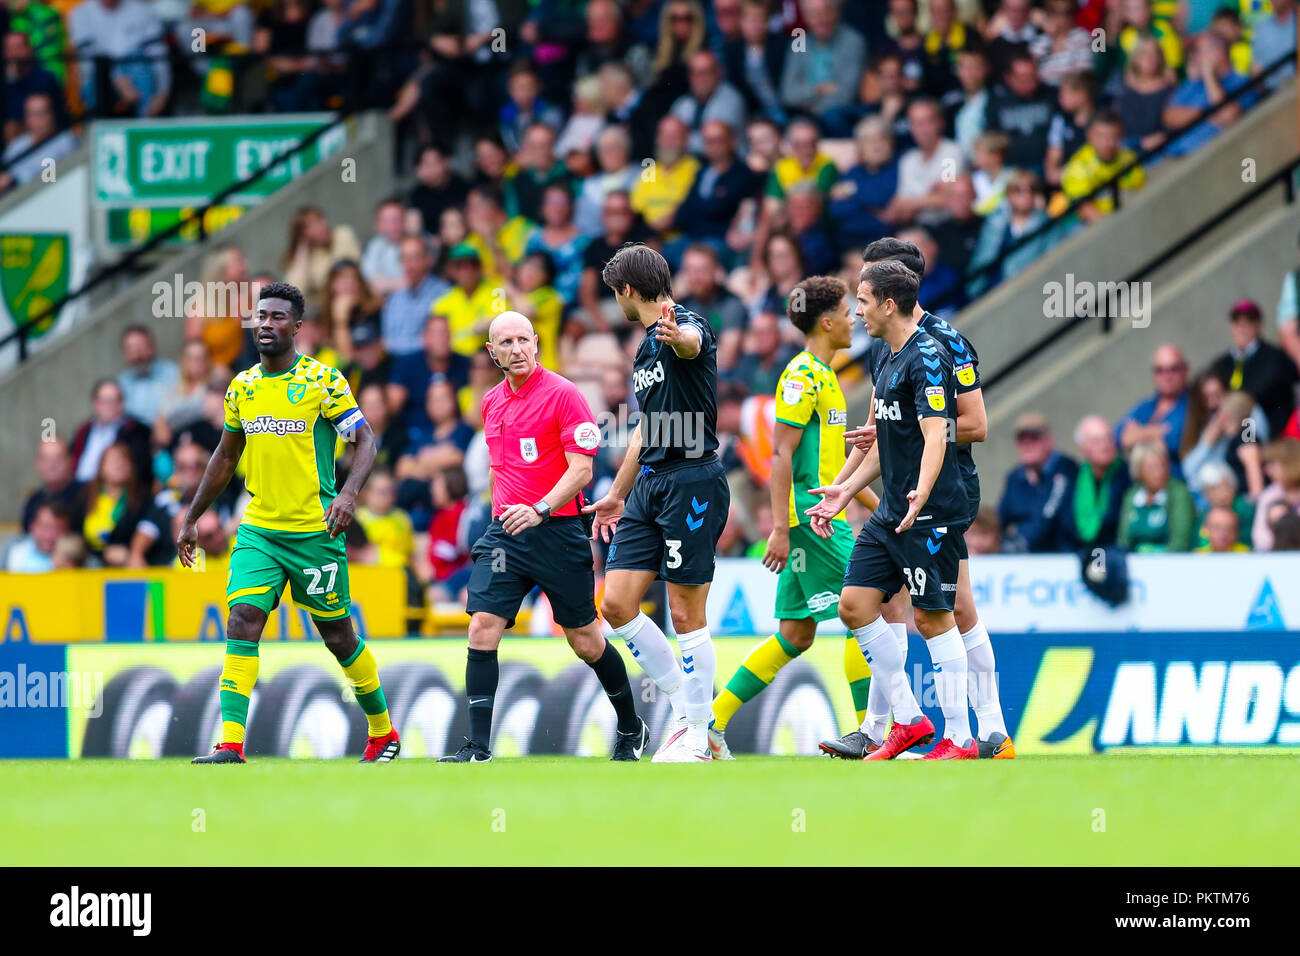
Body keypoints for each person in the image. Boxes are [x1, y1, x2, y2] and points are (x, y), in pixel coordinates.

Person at [181, 282, 399, 764]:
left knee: (338, 636)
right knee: (242, 619)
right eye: (261, 315)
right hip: (259, 529)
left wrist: (348, 495)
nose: (266, 323)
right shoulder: (242, 387)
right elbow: (225, 456)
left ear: (297, 327)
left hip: (315, 532)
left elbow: (366, 440)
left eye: (278, 316)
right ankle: (230, 744)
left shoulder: (323, 381)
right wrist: (193, 516)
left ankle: (383, 731)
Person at [824, 238, 1010, 759]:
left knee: (947, 608)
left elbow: (976, 425)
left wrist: (914, 430)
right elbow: (883, 427)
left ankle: (984, 730)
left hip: (944, 488)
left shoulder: (945, 342)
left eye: (867, 288)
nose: (857, 304)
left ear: (896, 289)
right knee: (886, 604)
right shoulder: (884, 345)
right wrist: (853, 473)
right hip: (901, 486)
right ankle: (889, 725)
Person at [440, 312, 647, 763]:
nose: (516, 349)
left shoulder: (564, 394)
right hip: (507, 534)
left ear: (536, 342)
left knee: (585, 640)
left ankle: (632, 726)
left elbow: (582, 471)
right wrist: (503, 516)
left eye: (523, 340)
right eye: (505, 342)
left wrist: (539, 509)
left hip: (557, 532)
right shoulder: (491, 401)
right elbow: (500, 469)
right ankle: (478, 747)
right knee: (481, 626)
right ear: (492, 352)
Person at [709, 276, 873, 757]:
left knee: (796, 634)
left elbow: (832, 470)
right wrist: (780, 529)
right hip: (814, 521)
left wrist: (881, 507)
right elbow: (780, 455)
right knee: (867, 608)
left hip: (816, 514)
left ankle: (710, 725)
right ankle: (870, 734)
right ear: (825, 322)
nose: (852, 318)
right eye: (845, 311)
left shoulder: (826, 375)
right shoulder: (801, 377)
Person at [584, 244, 730, 763]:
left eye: (614, 294)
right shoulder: (646, 347)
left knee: (686, 611)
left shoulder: (684, 324)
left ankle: (696, 738)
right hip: (649, 484)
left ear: (627, 290)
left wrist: (679, 336)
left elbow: (692, 345)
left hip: (692, 480)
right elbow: (648, 427)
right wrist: (616, 494)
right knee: (616, 604)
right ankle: (689, 710)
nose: (615, 303)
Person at [1208, 300, 1299, 440]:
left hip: (1272, 431)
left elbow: (1260, 390)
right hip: (1231, 429)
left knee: (1246, 414)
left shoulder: (1274, 356)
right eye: (1237, 322)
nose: (1241, 327)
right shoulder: (1222, 363)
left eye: (1248, 321)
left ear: (1258, 325)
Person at [998, 411, 1078, 553]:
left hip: (1060, 555)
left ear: (1049, 440)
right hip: (1025, 556)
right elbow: (999, 519)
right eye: (1022, 439)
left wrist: (1021, 541)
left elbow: (1049, 514)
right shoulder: (1015, 478)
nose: (1027, 444)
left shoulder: (1067, 470)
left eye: (1034, 438)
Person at [1116, 343, 1190, 471]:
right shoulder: (1145, 407)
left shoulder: (1195, 403)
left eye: (1173, 369)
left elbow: (1176, 440)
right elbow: (1118, 437)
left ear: (1185, 370)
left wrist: (1138, 433)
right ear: (1153, 374)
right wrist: (1156, 432)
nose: (1167, 376)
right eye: (1160, 370)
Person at [70, 379, 153, 488]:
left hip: (115, 490)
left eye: (116, 400)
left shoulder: (136, 431)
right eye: (105, 401)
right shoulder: (84, 431)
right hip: (79, 489)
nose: (111, 405)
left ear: (122, 403)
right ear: (95, 404)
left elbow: (139, 471)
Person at [1067, 414, 1132, 550]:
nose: (1105, 445)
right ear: (1081, 448)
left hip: (1114, 551)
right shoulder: (1071, 477)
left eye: (1109, 438)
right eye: (1097, 440)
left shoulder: (1129, 476)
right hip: (1080, 551)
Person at [1117, 440, 1196, 553]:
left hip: (1169, 560)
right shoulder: (1132, 495)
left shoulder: (1179, 493)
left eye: (1163, 465)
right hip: (1134, 559)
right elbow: (1123, 539)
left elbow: (1181, 541)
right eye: (1152, 467)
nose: (1159, 472)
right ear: (1138, 470)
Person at [381, 236, 449, 358]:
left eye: (414, 258)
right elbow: (387, 341)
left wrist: (402, 346)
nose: (409, 264)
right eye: (405, 258)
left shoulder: (443, 293)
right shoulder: (394, 298)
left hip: (428, 361)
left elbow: (439, 341)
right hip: (397, 361)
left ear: (427, 260)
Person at [22, 439, 83, 533]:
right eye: (46, 459)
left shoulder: (86, 494)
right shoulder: (33, 500)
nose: (52, 464)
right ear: (37, 463)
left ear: (71, 460)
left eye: (58, 458)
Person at [1252, 438, 1300, 552]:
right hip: (1274, 557)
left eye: (1272, 464)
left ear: (1291, 463)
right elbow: (1260, 539)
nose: (1267, 470)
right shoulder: (1269, 495)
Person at [5, 502, 67, 573]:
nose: (49, 535)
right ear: (32, 526)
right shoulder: (12, 551)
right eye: (45, 527)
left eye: (57, 529)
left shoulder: (73, 558)